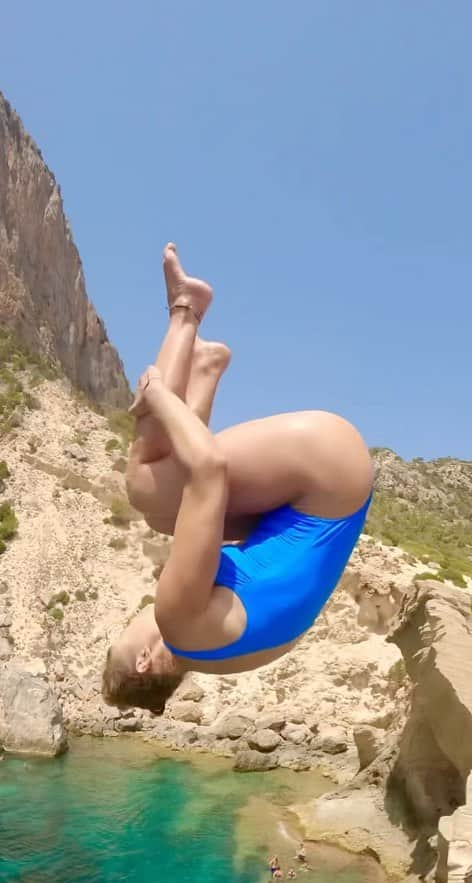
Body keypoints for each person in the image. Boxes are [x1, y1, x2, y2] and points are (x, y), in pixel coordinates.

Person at [102, 244, 373, 716]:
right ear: (144, 660)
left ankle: (205, 367)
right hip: (324, 465)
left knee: (168, 514)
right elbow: (207, 470)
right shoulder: (176, 621)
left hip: (336, 496)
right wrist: (158, 395)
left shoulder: (224, 655)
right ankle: (185, 311)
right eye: (121, 638)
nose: (130, 621)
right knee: (144, 485)